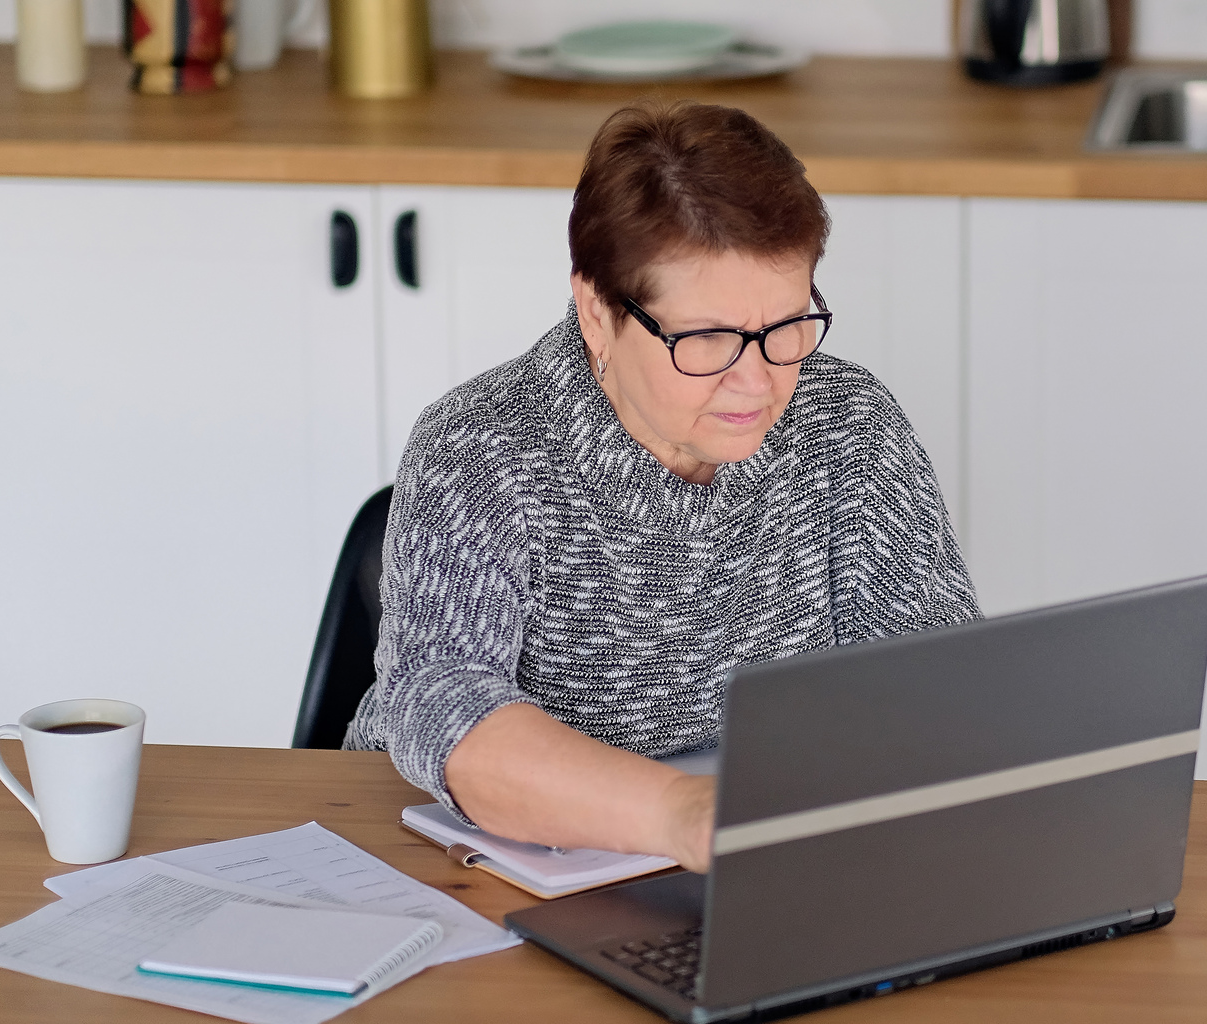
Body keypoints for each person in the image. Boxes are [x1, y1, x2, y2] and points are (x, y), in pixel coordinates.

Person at [344, 100, 979, 873]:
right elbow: (446, 705)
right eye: (707, 339)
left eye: (787, 326)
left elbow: (939, 682)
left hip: (765, 855)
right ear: (597, 313)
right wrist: (691, 816)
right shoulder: (481, 445)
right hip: (471, 866)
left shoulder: (846, 421)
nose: (760, 381)